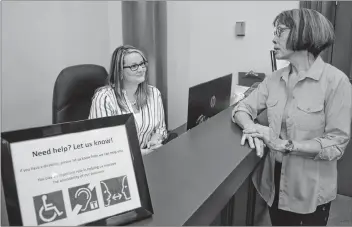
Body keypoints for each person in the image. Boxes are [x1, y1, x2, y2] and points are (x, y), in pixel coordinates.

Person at [232, 8, 352, 226]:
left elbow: (336, 144)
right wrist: (251, 128)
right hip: (273, 183)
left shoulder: (337, 82)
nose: (273, 37)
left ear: (303, 35)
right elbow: (242, 108)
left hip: (309, 191)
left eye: (280, 31)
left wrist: (284, 145)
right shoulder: (274, 79)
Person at [89, 45, 168, 155]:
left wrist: (155, 140)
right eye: (134, 66)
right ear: (120, 71)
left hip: (150, 159)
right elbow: (102, 144)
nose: (141, 69)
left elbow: (160, 128)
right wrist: (141, 153)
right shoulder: (104, 99)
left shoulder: (154, 93)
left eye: (142, 64)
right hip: (118, 164)